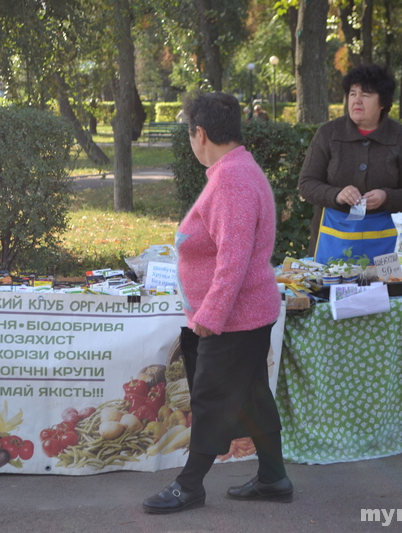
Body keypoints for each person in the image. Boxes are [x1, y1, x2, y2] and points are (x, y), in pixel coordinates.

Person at [142, 91, 292, 514]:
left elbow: (234, 257)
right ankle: (274, 477)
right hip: (242, 315)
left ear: (200, 134)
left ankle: (189, 486)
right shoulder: (235, 170)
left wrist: (210, 313)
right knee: (251, 397)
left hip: (232, 319)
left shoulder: (232, 179)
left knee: (211, 398)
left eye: (189, 135)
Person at [298, 64, 402, 264]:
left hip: (387, 245)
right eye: (352, 94)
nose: (356, 100)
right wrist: (337, 194)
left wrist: (386, 196)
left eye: (366, 95)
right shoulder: (328, 133)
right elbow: (306, 184)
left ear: (383, 102)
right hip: (332, 242)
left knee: (387, 294)